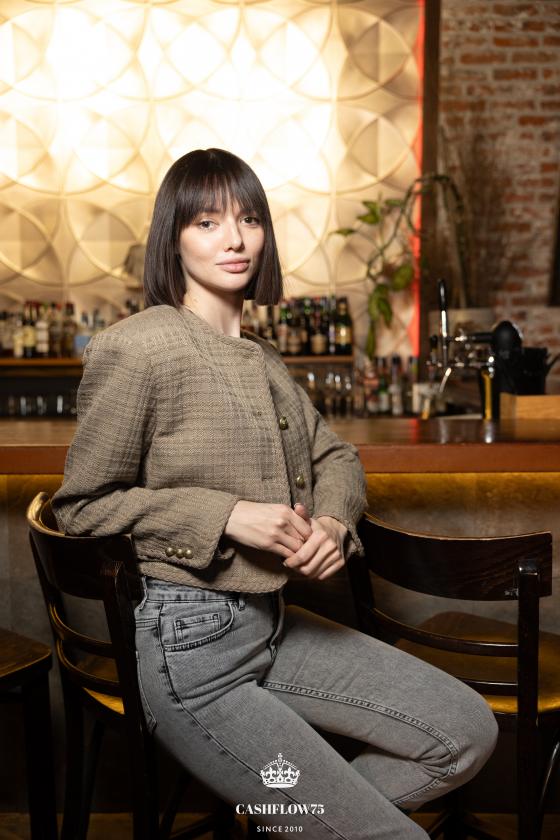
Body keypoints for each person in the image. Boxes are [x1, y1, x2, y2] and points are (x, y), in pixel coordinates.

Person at [52, 148, 498, 839]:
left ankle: (299, 825)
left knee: (467, 731)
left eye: (250, 220)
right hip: (190, 650)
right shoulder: (139, 348)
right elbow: (79, 509)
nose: (234, 239)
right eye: (207, 222)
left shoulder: (262, 355)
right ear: (173, 236)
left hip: (272, 625)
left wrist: (333, 522)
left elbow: (336, 456)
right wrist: (226, 516)